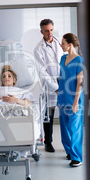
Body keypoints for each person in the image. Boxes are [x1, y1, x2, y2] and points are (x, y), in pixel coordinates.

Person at [34, 19, 64, 153]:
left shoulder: (59, 43)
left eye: (51, 30)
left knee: (66, 114)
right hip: (51, 86)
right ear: (41, 32)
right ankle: (48, 142)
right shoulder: (38, 49)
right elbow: (42, 73)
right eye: (46, 31)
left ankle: (67, 143)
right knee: (49, 116)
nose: (49, 33)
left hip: (64, 82)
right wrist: (55, 87)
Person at [57, 33, 84, 167]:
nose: (61, 45)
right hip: (62, 97)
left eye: (63, 43)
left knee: (74, 128)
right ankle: (69, 151)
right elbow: (61, 76)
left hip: (74, 98)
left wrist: (75, 102)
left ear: (70, 44)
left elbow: (80, 83)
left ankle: (77, 157)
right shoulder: (62, 58)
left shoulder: (79, 60)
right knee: (64, 128)